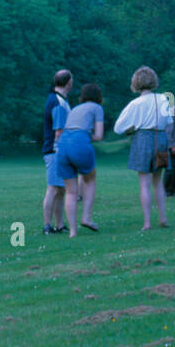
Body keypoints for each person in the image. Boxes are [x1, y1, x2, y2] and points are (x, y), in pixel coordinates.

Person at [114, 67, 175, 230]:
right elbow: (168, 120)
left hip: (142, 139)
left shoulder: (135, 103)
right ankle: (163, 218)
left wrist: (132, 128)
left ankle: (147, 223)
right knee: (158, 183)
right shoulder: (163, 99)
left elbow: (118, 127)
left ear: (136, 83)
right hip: (160, 139)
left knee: (144, 184)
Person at [57, 83, 104, 237]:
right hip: (80, 141)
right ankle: (86, 218)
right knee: (90, 179)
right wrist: (85, 137)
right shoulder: (97, 108)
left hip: (63, 144)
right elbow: (98, 135)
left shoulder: (76, 108)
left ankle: (72, 231)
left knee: (70, 191)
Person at [42, 70, 72, 235]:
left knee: (60, 190)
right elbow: (59, 131)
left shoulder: (57, 99)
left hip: (56, 149)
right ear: (68, 82)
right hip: (55, 150)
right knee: (53, 188)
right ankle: (47, 225)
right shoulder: (58, 102)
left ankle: (59, 225)